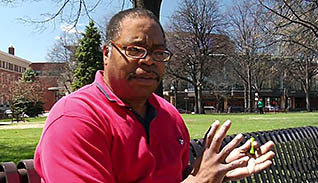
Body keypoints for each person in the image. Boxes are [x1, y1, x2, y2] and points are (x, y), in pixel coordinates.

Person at [34, 8, 275, 183]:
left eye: (158, 53)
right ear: (107, 53)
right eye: (135, 50)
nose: (149, 60)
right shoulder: (75, 119)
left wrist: (218, 170)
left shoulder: (169, 115)